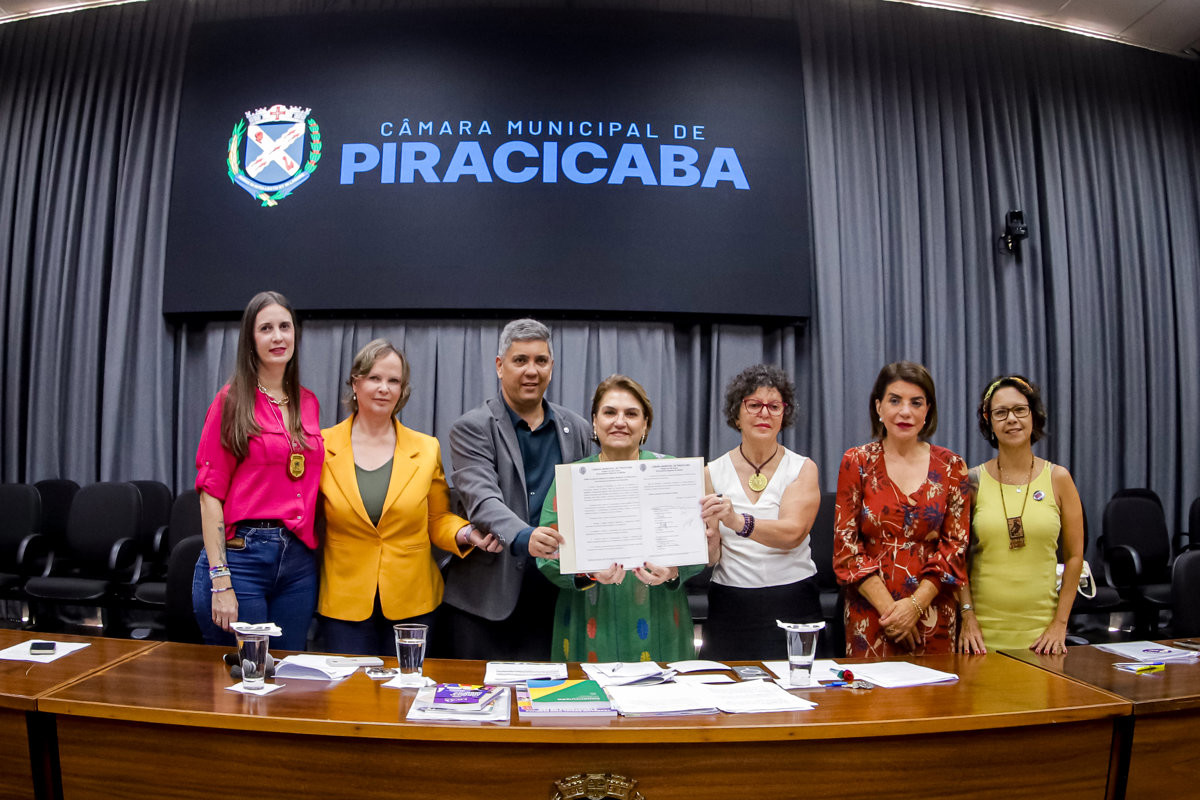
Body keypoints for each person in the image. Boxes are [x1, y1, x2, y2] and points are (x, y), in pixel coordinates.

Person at [317, 339, 502, 656]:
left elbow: (437, 519)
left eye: (394, 381)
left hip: (413, 604)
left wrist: (468, 532)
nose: (384, 388)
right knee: (348, 700)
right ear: (355, 382)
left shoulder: (426, 448)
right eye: (375, 378)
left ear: (403, 391)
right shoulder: (320, 445)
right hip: (343, 603)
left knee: (406, 701)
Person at [442, 319, 592, 660]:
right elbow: (482, 499)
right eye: (520, 360)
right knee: (479, 709)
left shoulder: (577, 428)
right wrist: (524, 536)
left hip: (554, 601)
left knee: (545, 709)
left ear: (551, 368)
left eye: (541, 361)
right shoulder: (471, 428)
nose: (531, 370)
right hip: (484, 606)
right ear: (499, 366)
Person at [537, 375, 705, 663]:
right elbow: (547, 555)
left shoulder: (671, 473)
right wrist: (587, 574)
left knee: (661, 701)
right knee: (590, 702)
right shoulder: (571, 479)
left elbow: (695, 550)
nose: (620, 421)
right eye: (610, 412)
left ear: (645, 425)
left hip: (659, 609)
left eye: (631, 414)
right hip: (591, 610)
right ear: (594, 422)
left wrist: (674, 571)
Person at [192, 291, 323, 651]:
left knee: (289, 678)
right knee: (245, 682)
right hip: (242, 558)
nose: (278, 337)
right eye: (266, 328)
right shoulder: (231, 401)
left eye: (285, 326)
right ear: (250, 340)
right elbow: (209, 495)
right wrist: (221, 581)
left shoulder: (307, 402)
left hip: (297, 561)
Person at [833, 361, 970, 657]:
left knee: (935, 701)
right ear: (879, 407)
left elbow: (955, 548)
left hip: (933, 611)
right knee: (870, 701)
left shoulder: (952, 467)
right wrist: (892, 612)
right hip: (871, 613)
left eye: (916, 402)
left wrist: (914, 607)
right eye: (895, 400)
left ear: (927, 410)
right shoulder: (856, 462)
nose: (905, 411)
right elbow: (846, 549)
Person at [700, 364, 822, 660]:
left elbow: (792, 533)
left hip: (793, 601)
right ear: (736, 414)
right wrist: (710, 543)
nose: (764, 413)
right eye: (753, 405)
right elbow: (711, 557)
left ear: (784, 415)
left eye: (774, 406)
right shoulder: (711, 472)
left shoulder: (801, 468)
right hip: (731, 605)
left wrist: (737, 521)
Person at [957, 376, 1085, 655]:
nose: (1011, 419)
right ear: (988, 421)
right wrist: (967, 617)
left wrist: (1060, 623)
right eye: (1000, 413)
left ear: (1034, 416)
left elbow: (1075, 557)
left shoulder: (1059, 478)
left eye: (1020, 410)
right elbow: (956, 558)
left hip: (1043, 638)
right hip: (981, 637)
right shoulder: (972, 481)